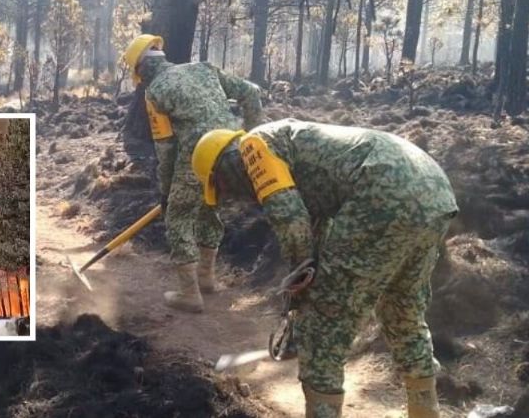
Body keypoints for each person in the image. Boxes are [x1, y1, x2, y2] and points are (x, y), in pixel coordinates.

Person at [190, 119, 458, 418]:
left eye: (222, 186)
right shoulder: (289, 143)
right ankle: (425, 410)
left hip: (382, 193)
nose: (229, 194)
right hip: (434, 192)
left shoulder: (253, 147)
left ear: (224, 164)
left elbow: (291, 220)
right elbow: (319, 225)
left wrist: (302, 290)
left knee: (322, 328)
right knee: (402, 309)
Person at [120, 34, 262, 313]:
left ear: (141, 71)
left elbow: (166, 148)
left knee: (179, 215)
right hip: (234, 149)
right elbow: (252, 93)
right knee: (209, 208)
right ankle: (207, 279)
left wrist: (165, 190)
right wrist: (253, 137)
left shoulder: (156, 92)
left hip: (198, 155)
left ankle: (190, 294)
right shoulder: (204, 68)